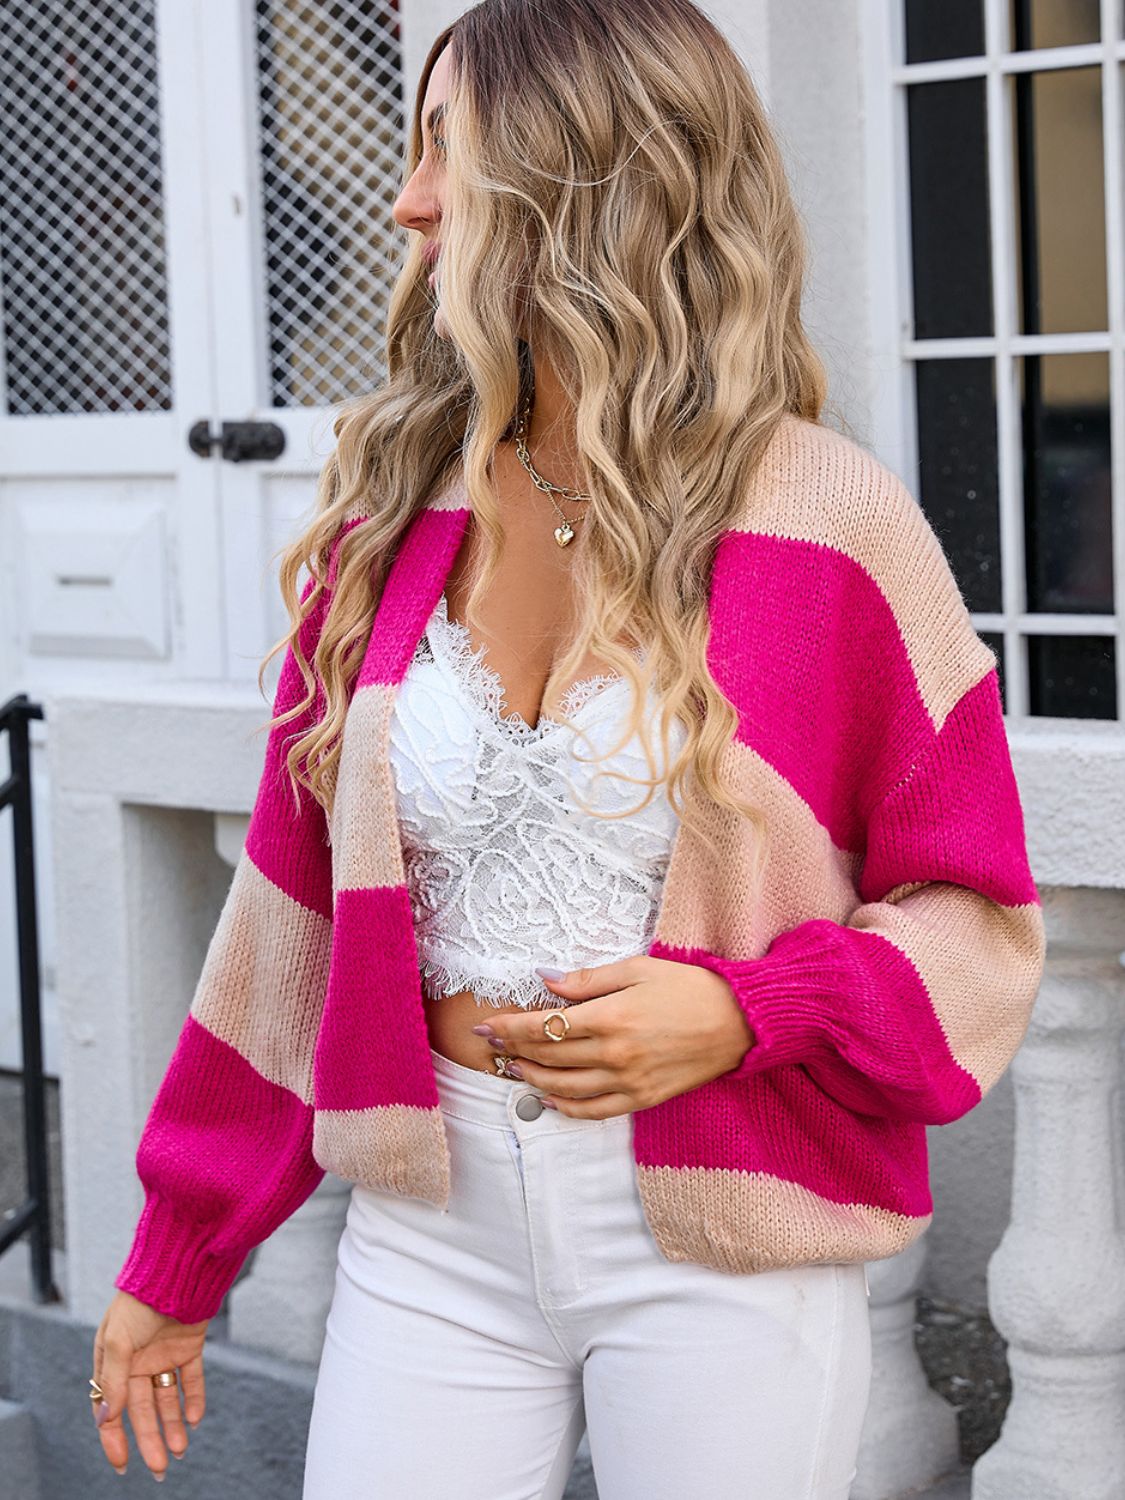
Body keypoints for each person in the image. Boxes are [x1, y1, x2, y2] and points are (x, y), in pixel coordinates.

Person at [90, 1, 1046, 1495]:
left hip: (728, 1233)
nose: (406, 201)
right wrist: (181, 1250)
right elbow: (288, 929)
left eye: (446, 154)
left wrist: (746, 1011)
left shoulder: (831, 524)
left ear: (584, 180)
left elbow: (977, 921)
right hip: (428, 1221)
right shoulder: (389, 523)